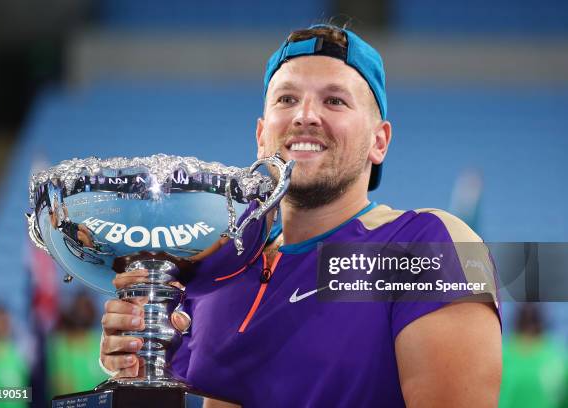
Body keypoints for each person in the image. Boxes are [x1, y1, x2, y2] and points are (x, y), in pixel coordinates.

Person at [99, 23, 502, 407]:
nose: (305, 115)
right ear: (261, 136)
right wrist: (136, 369)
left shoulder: (427, 245)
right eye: (287, 99)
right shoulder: (212, 276)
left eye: (335, 100)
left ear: (379, 141)